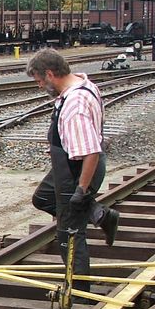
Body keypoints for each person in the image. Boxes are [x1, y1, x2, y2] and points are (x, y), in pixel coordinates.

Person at [26, 48, 119, 294]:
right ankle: (100, 215)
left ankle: (79, 292)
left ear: (50, 74)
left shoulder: (74, 106)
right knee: (43, 198)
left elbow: (91, 152)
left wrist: (81, 190)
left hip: (79, 172)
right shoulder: (81, 84)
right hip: (67, 166)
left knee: (70, 234)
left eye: (39, 81)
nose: (39, 86)